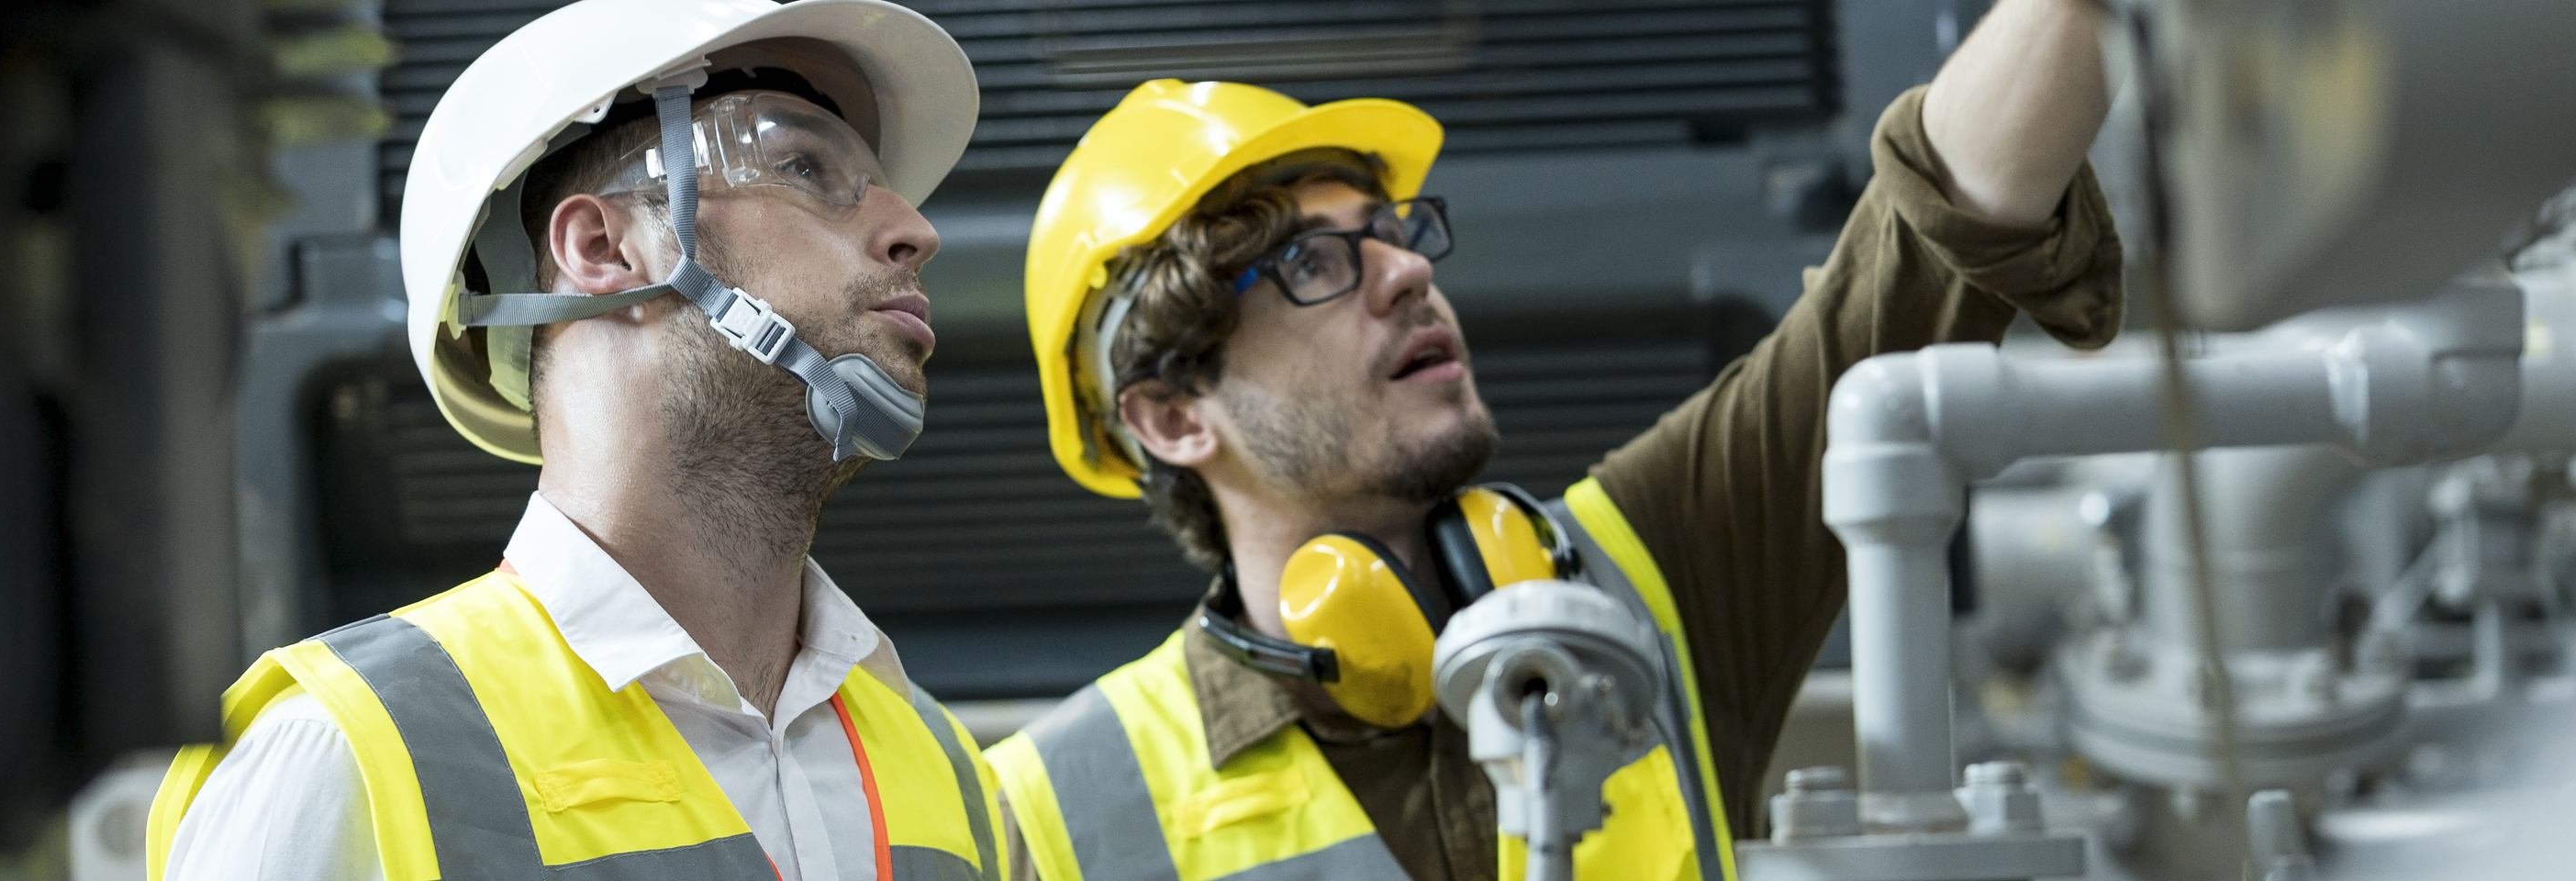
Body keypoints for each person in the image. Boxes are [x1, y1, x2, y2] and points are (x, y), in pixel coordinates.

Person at [987, 0, 2126, 878]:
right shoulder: (1040, 810)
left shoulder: (1652, 577)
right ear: (1172, 416)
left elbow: (1938, 224)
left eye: (1395, 232)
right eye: (1313, 263)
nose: (1410, 272)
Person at [140, 1, 1006, 879]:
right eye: (803, 165)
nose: (915, 232)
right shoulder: (346, 755)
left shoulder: (952, 774)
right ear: (602, 247)